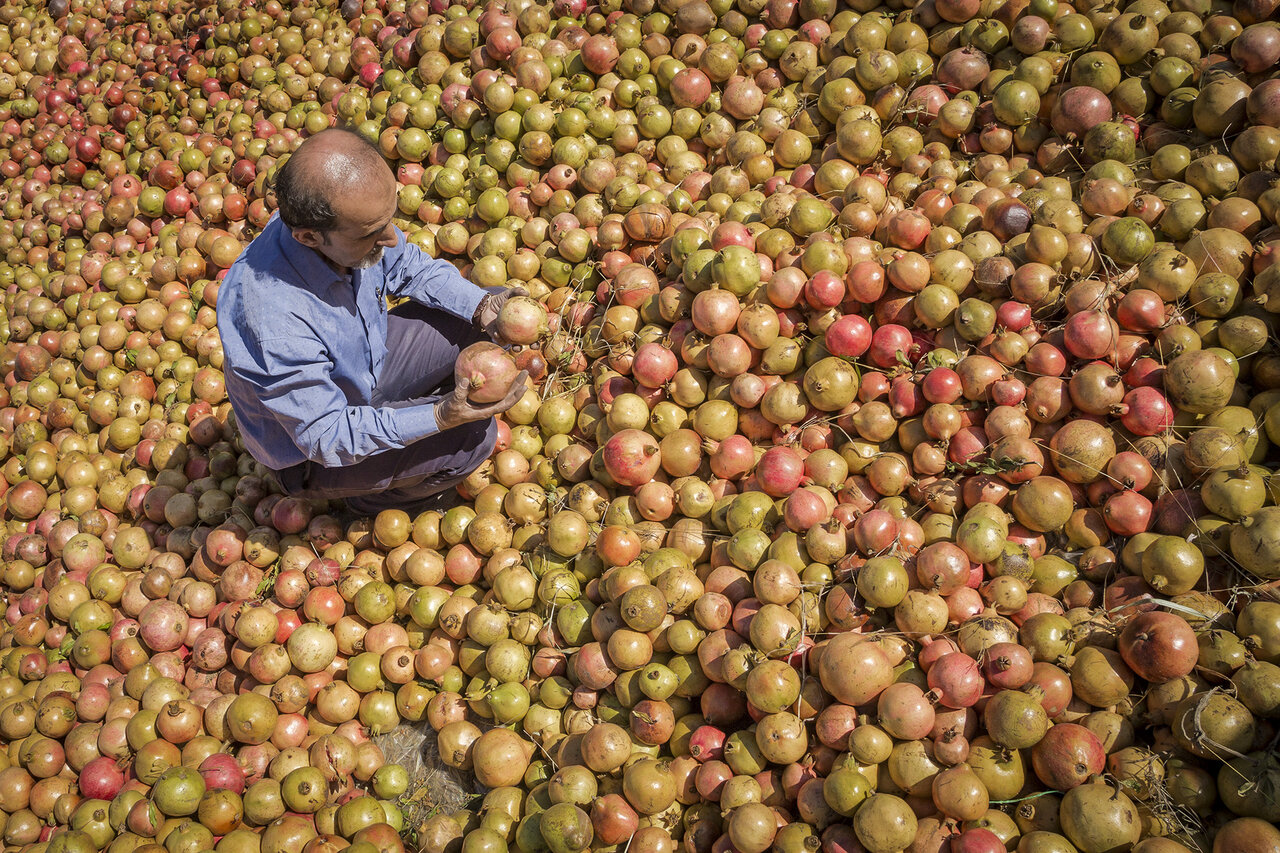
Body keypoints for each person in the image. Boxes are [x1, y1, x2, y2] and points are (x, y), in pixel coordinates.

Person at [218, 127, 528, 516]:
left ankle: (406, 420)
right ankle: (366, 502)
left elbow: (409, 266)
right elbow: (327, 435)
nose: (392, 238)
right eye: (371, 233)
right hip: (312, 453)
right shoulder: (272, 320)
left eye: (389, 219)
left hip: (365, 369)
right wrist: (438, 416)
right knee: (472, 440)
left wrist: (482, 305)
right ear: (310, 237)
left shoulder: (349, 221)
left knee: (483, 315)